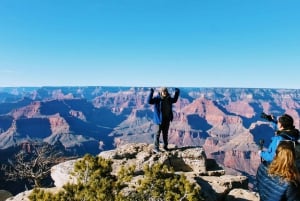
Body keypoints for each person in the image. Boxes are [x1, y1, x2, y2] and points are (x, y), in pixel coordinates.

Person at [147, 87, 180, 152]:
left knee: (165, 134)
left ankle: (165, 147)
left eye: (166, 91)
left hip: (166, 120)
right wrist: (151, 92)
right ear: (160, 92)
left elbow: (175, 100)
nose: (165, 92)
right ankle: (156, 148)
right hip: (158, 120)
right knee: (157, 134)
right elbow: (149, 101)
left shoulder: (169, 98)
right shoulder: (157, 99)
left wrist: (177, 92)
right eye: (163, 91)